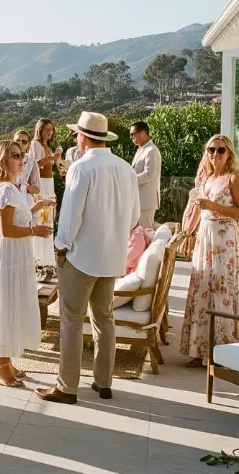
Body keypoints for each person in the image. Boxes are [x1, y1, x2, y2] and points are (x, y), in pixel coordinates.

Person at [36, 112, 140, 404]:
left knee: (70, 321)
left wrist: (61, 247)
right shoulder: (126, 169)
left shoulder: (82, 168)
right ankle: (103, 382)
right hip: (113, 257)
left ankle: (67, 387)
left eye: (76, 135)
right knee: (104, 319)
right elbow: (133, 218)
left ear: (83, 137)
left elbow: (71, 217)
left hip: (81, 258)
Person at [0, 140, 54, 386]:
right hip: (8, 251)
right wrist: (35, 230)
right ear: (2, 160)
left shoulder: (11, 187)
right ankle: (0, 366)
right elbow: (8, 230)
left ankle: (5, 361)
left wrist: (36, 207)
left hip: (13, 252)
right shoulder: (5, 190)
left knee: (11, 303)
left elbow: (15, 219)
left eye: (21, 155)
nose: (21, 160)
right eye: (15, 156)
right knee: (5, 303)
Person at [179, 134, 239, 368]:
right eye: (211, 150)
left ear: (229, 153)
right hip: (205, 239)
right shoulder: (207, 178)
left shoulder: (234, 178)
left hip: (225, 241)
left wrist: (214, 206)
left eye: (220, 150)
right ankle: (199, 349)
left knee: (222, 289)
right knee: (203, 288)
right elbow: (199, 211)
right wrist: (188, 234)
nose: (215, 155)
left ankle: (223, 350)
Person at [30, 119, 62, 270]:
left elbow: (50, 166)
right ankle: (40, 260)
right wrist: (49, 159)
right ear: (40, 130)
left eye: (51, 129)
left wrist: (56, 160)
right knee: (42, 219)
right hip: (42, 184)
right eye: (46, 130)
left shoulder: (47, 146)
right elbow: (33, 165)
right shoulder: (35, 144)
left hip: (50, 183)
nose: (49, 132)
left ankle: (48, 260)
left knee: (49, 219)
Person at [130, 121, 163, 230]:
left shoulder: (152, 151)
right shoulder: (141, 150)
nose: (131, 137)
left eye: (133, 134)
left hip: (146, 202)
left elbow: (149, 175)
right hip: (139, 201)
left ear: (143, 133)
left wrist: (129, 180)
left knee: (146, 233)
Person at [12, 130, 41, 196]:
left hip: (23, 198)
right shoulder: (4, 158)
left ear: (28, 145)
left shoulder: (31, 161)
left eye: (24, 142)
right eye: (17, 141)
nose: (20, 144)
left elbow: (37, 188)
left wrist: (23, 187)